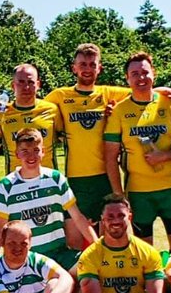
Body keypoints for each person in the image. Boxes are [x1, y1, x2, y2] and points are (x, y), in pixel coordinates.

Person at [104, 53, 171, 249]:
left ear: (154, 73)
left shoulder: (170, 104)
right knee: (145, 252)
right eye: (135, 74)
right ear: (127, 78)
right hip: (138, 193)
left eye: (145, 72)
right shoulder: (119, 111)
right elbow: (110, 157)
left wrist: (165, 156)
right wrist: (119, 196)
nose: (141, 78)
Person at [43, 43, 131, 223]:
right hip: (76, 178)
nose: (87, 69)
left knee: (107, 232)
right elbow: (32, 108)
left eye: (92, 64)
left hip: (105, 176)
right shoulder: (60, 95)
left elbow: (144, 92)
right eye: (82, 64)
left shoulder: (109, 93)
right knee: (76, 234)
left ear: (100, 68)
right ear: (73, 68)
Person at [0, 129, 95, 273]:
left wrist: (98, 246)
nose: (31, 156)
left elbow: (77, 217)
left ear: (43, 151)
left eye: (35, 150)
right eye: (25, 151)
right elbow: (1, 231)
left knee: (91, 272)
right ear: (17, 154)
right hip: (27, 259)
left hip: (59, 255)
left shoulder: (55, 179)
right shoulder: (6, 186)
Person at [0, 63, 61, 172]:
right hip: (16, 182)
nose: (26, 87)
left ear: (38, 84)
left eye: (30, 82)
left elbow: (69, 140)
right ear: (13, 85)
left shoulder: (52, 110)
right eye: (21, 82)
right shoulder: (2, 113)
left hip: (48, 180)